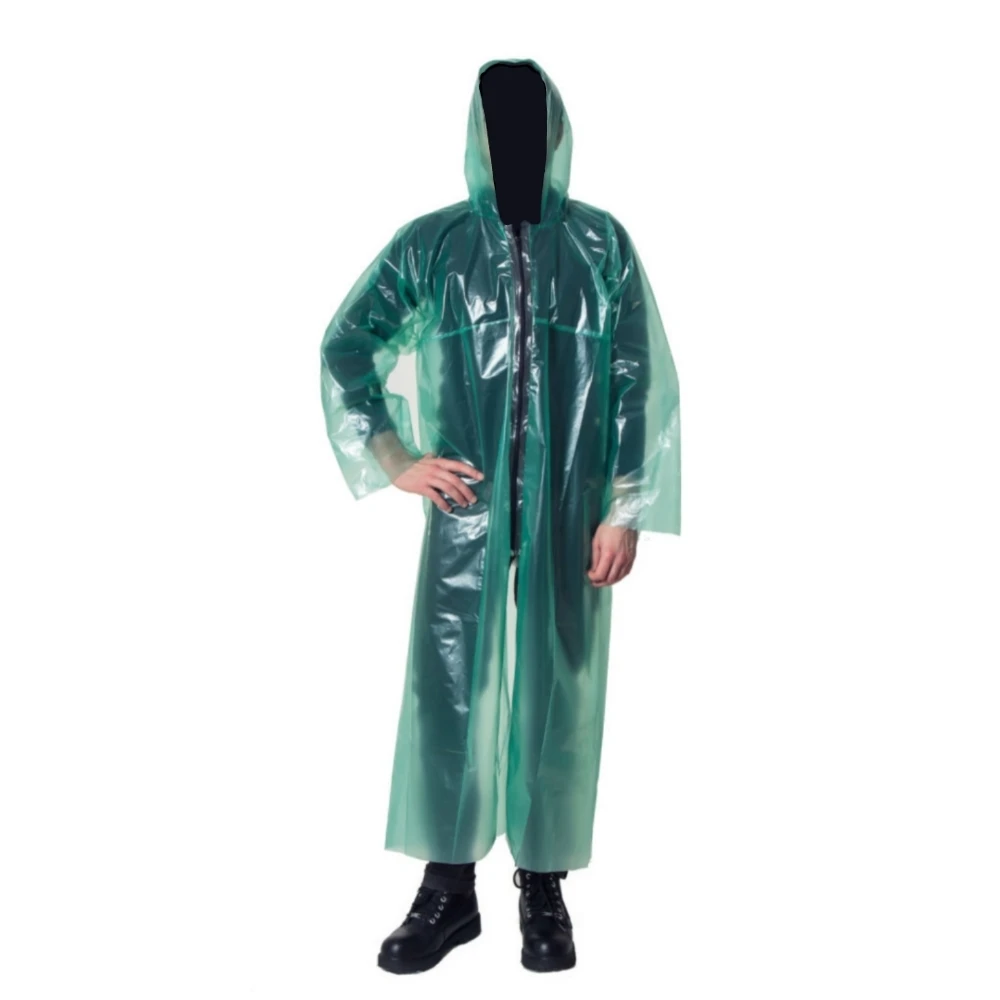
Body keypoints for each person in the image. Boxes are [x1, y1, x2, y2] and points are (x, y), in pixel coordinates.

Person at [320, 58, 681, 974]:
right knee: (450, 683)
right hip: (468, 502)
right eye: (500, 124)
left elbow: (637, 379)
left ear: (556, 134)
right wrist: (396, 459)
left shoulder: (600, 244)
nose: (517, 142)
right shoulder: (434, 244)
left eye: (530, 124)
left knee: (560, 686)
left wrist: (625, 505)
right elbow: (348, 345)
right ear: (478, 136)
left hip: (572, 505)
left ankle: (543, 887)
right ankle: (448, 889)